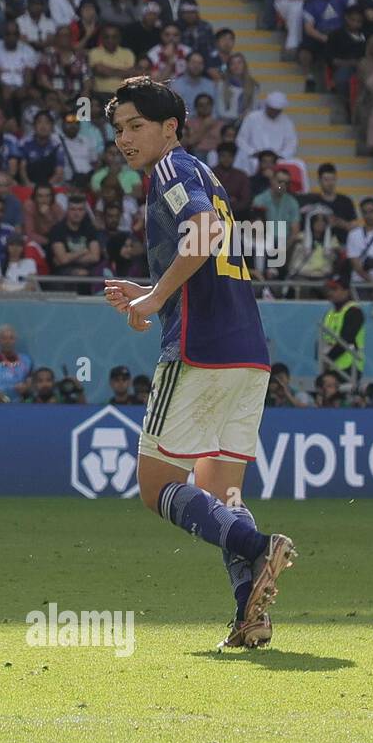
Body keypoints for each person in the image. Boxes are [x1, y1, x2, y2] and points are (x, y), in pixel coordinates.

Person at [102, 76, 295, 651]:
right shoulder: (204, 176)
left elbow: (204, 236)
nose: (124, 139)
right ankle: (250, 615)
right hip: (248, 353)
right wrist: (154, 288)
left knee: (155, 484)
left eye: (136, 126)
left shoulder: (172, 170)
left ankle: (260, 546)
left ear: (169, 129)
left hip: (199, 349)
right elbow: (206, 249)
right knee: (220, 496)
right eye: (117, 130)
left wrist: (157, 299)